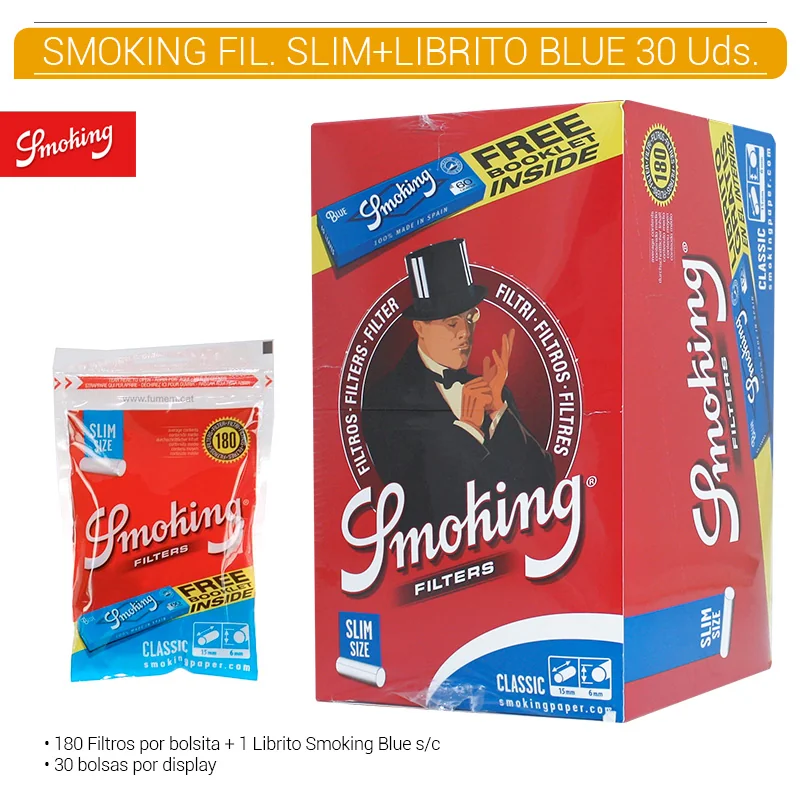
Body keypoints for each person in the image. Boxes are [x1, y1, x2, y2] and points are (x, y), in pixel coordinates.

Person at [362, 238, 554, 529]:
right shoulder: (384, 403)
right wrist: (468, 429)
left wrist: (498, 410)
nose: (466, 332)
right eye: (452, 322)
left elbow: (543, 483)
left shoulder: (493, 392)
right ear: (420, 328)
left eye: (470, 317)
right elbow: (425, 506)